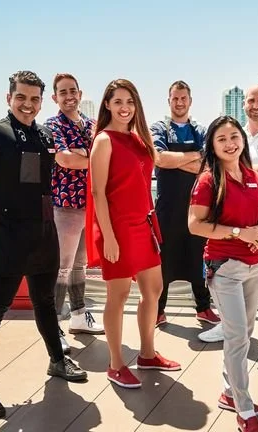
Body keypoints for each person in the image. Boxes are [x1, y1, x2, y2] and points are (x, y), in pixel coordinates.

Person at [0, 71, 87, 419]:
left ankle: (57, 360)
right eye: (21, 97)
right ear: (9, 98)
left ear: (41, 101)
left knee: (45, 302)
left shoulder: (45, 135)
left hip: (44, 234)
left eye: (34, 99)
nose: (28, 104)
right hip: (8, 237)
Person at [86, 78, 181, 389]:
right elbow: (98, 193)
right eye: (118, 102)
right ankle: (115, 364)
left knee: (153, 289)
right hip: (118, 228)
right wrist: (109, 237)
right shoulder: (104, 140)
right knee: (119, 295)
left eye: (130, 102)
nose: (124, 107)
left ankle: (148, 354)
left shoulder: (139, 139)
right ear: (107, 105)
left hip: (143, 225)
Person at [198, 85, 258, 362]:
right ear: (244, 104)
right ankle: (227, 326)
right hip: (229, 223)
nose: (256, 105)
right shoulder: (237, 134)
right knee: (227, 277)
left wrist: (228, 167)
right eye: (251, 100)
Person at [188, 115, 258, 432]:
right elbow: (195, 225)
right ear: (212, 145)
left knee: (244, 333)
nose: (230, 143)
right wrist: (239, 233)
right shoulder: (208, 181)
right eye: (221, 138)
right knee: (237, 338)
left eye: (234, 136)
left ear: (242, 140)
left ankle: (228, 392)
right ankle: (244, 409)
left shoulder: (254, 176)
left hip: (256, 265)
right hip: (225, 268)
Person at [150, 80, 219, 327]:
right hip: (167, 209)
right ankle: (158, 311)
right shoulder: (159, 128)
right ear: (168, 101)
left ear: (190, 101)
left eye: (183, 98)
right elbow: (160, 158)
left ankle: (203, 307)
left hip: (198, 207)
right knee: (163, 262)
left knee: (199, 258)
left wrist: (176, 161)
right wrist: (195, 157)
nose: (179, 102)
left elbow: (210, 164)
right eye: (175, 98)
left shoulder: (201, 130)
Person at [44, 73, 104, 352]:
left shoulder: (93, 125)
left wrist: (82, 153)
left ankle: (79, 315)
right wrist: (88, 156)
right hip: (65, 205)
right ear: (55, 97)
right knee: (61, 267)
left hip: (89, 204)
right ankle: (54, 326)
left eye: (72, 91)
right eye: (63, 92)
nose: (69, 96)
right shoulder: (52, 125)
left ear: (80, 94)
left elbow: (105, 156)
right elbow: (64, 159)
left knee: (80, 264)